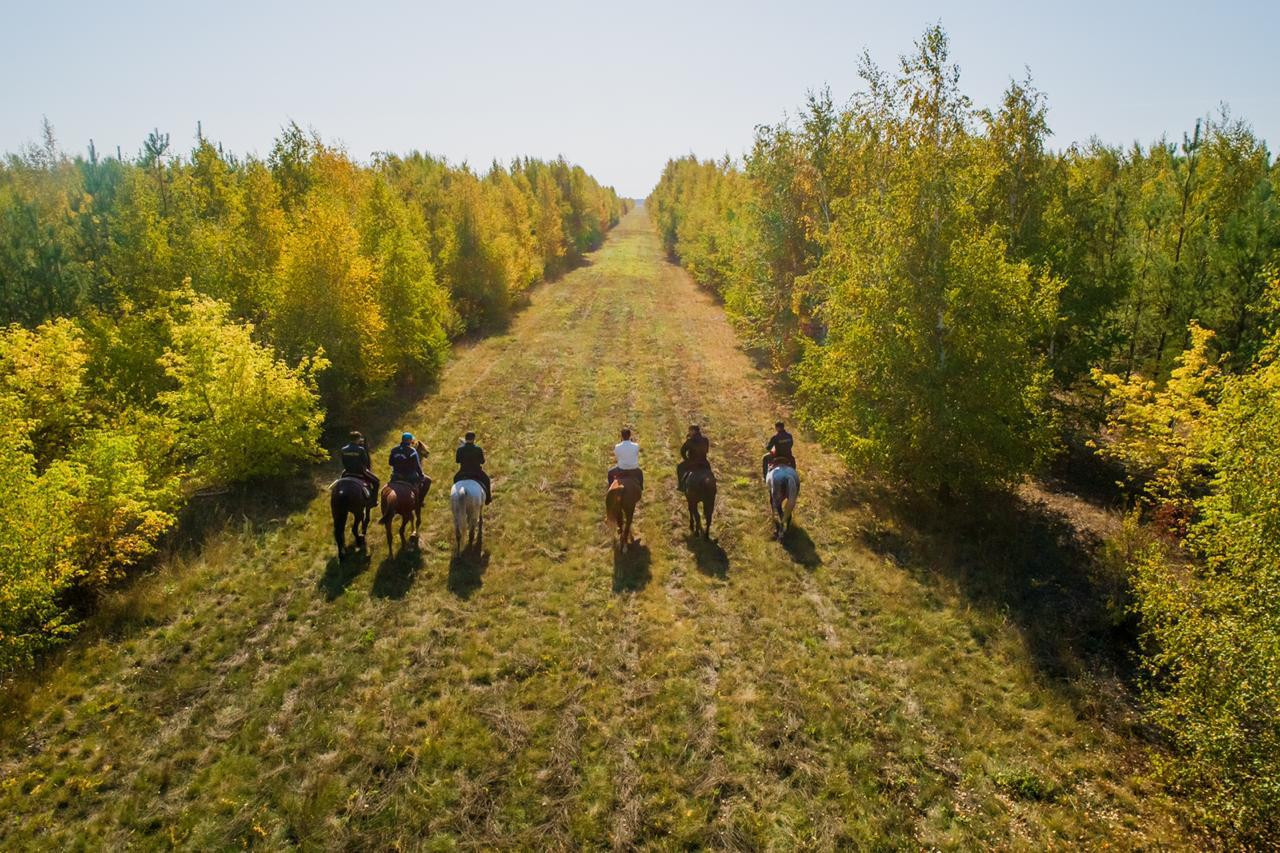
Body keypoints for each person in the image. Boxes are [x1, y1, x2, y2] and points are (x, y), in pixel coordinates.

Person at [339, 430, 379, 506]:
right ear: (357, 438)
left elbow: (343, 461)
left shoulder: (343, 449)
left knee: (340, 482)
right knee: (376, 482)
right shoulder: (361, 449)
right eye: (359, 438)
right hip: (360, 471)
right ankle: (373, 501)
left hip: (347, 471)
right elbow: (365, 462)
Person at [389, 432, 429, 500]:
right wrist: (421, 476)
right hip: (409, 477)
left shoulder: (394, 450)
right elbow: (417, 466)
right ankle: (419, 501)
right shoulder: (412, 451)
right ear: (409, 441)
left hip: (396, 475)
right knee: (428, 480)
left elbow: (390, 463)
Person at [454, 431, 492, 504]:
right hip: (477, 472)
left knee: (455, 479)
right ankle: (488, 498)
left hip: (463, 472)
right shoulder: (478, 449)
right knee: (487, 480)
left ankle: (455, 498)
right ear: (474, 439)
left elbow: (457, 461)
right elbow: (482, 461)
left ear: (465, 438)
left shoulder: (460, 449)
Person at [676, 424, 710, 493]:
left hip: (692, 462)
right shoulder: (705, 440)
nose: (689, 432)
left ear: (693, 431)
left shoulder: (690, 441)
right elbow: (706, 451)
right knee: (709, 472)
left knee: (679, 468)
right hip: (704, 462)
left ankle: (681, 486)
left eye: (690, 431)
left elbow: (682, 451)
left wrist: (686, 459)